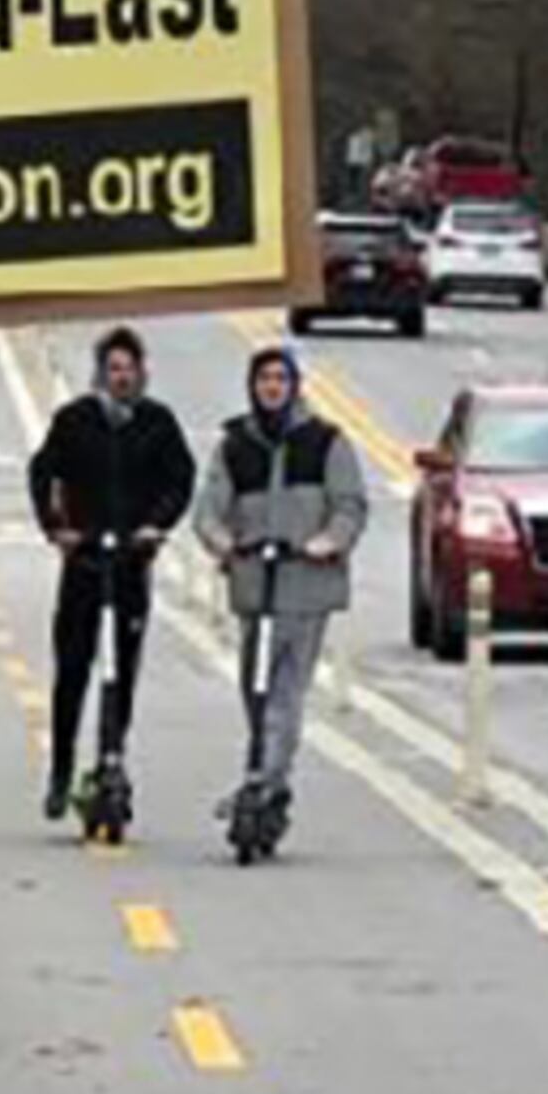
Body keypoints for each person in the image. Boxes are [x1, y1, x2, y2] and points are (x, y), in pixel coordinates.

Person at [22, 326, 197, 821]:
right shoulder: (74, 420)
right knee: (73, 667)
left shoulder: (158, 423)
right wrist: (56, 527)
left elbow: (180, 480)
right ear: (101, 374)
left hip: (129, 561)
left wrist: (155, 526)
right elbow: (42, 473)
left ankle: (110, 759)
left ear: (142, 374)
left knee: (121, 668)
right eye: (113, 370)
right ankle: (60, 769)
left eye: (130, 370)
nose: (122, 379)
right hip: (85, 560)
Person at [194, 346, 367, 821]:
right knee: (255, 685)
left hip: (305, 585)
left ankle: (264, 781)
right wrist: (223, 541)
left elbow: (350, 505)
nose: (271, 387)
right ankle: (267, 775)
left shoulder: (325, 441)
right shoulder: (235, 445)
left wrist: (328, 542)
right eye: (263, 379)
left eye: (279, 378)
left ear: (294, 386)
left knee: (285, 690)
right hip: (254, 583)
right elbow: (208, 509)